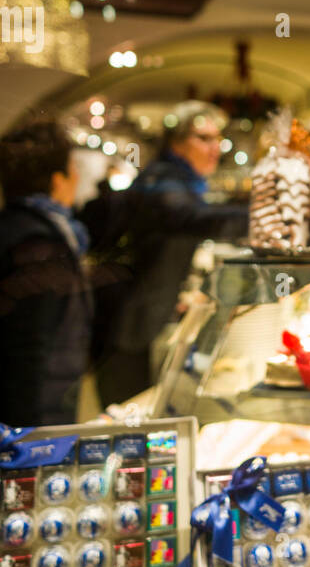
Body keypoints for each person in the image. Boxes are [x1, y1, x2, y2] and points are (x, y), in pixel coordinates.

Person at [83, 102, 248, 407]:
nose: (215, 148)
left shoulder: (179, 179)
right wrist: (262, 214)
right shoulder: (163, 179)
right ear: (176, 142)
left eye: (217, 139)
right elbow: (192, 217)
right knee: (130, 421)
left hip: (139, 323)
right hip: (129, 330)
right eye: (203, 138)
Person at [0, 120, 92, 427]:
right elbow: (30, 350)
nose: (77, 179)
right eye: (73, 170)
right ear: (57, 180)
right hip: (35, 420)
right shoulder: (39, 246)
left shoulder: (17, 228)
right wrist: (31, 444)